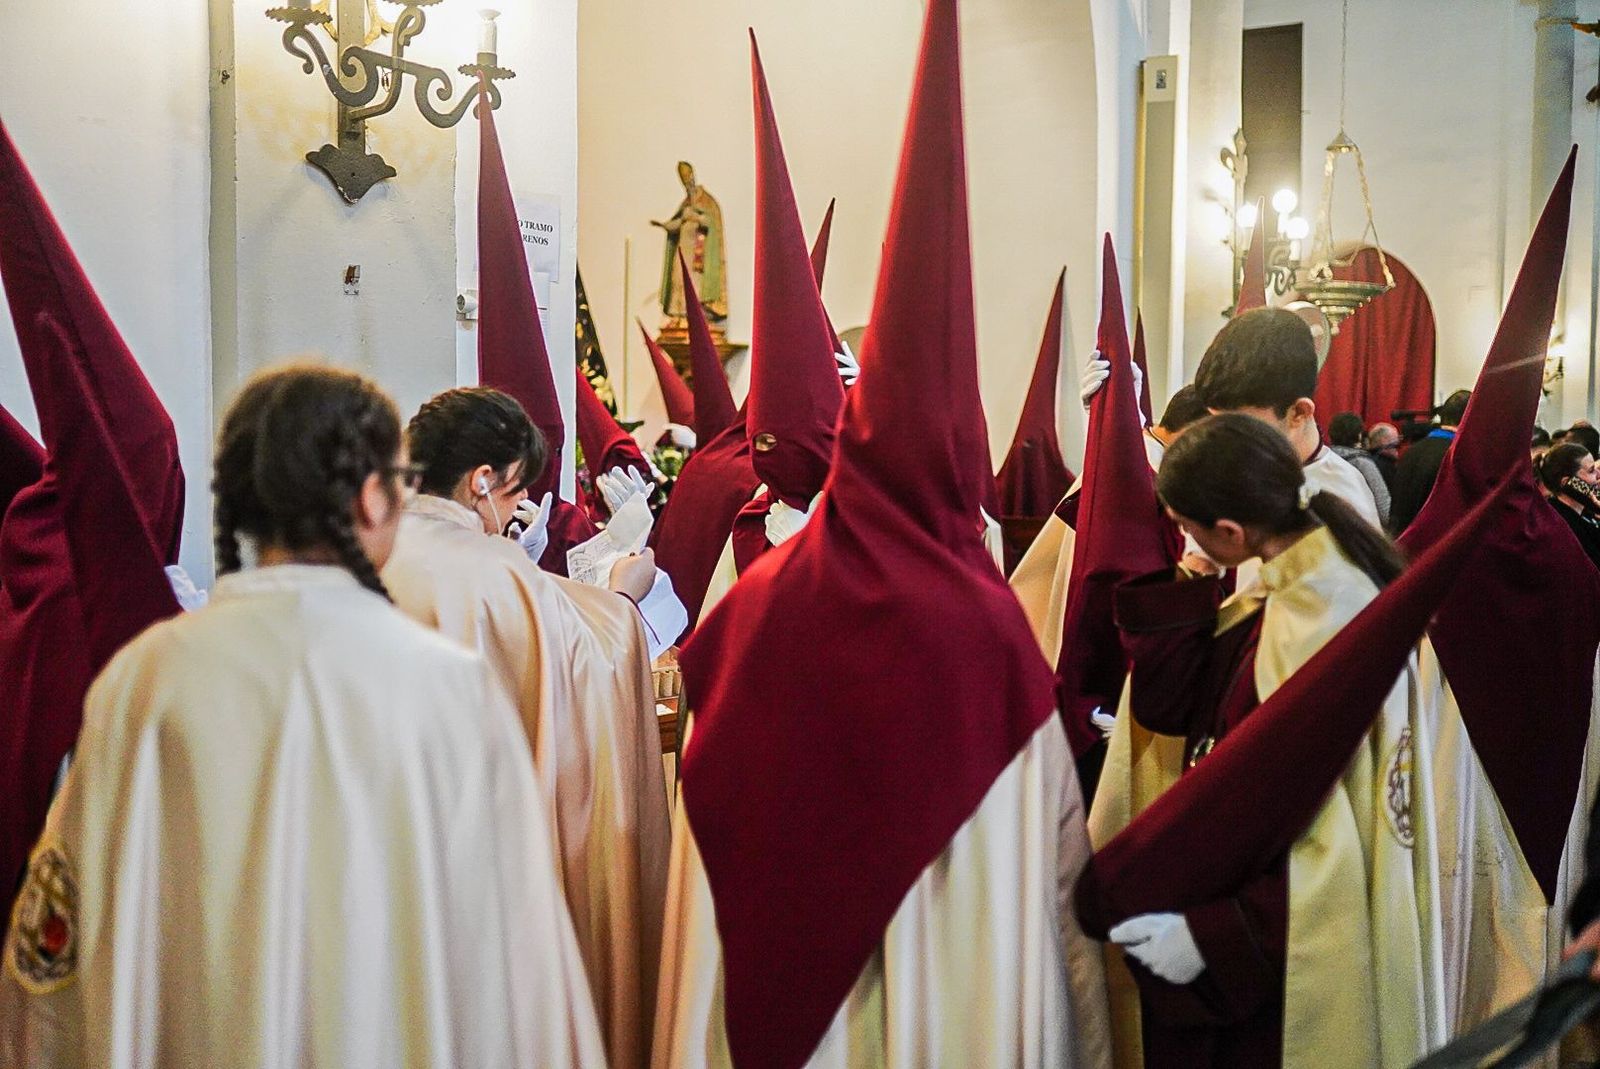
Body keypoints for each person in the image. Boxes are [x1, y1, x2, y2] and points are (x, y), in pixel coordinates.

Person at [653, 9, 1111, 1065]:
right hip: (951, 985)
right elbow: (1043, 853)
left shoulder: (763, 601)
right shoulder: (985, 622)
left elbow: (703, 816)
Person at [0, 365, 606, 1067]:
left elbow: (67, 924)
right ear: (376, 502)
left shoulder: (145, 680)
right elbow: (515, 940)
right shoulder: (451, 689)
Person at [1078, 413, 1448, 1068]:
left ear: (1231, 530)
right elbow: (1178, 704)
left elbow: (1333, 846)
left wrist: (1211, 939)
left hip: (1283, 965)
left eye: (1189, 529)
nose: (1184, 542)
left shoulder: (1319, 618)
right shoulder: (1295, 582)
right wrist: (1194, 574)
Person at [380, 386, 670, 1069]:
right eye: (514, 493)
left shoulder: (367, 547)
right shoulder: (491, 570)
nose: (515, 512)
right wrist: (624, 595)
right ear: (482, 480)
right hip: (473, 858)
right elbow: (583, 663)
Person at [1193, 308, 1381, 527]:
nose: (1226, 446)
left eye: (1242, 431)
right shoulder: (1239, 471)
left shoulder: (1340, 503)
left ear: (1298, 413)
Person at [1389, 389, 1470, 533]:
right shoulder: (1456, 456)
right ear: (1470, 417)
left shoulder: (1410, 451)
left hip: (1401, 544)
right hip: (1433, 544)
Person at [1537, 441, 1600, 567]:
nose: (1598, 475)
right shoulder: (1561, 523)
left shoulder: (1586, 510)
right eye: (1591, 470)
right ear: (1569, 482)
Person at [1327, 411, 1391, 526]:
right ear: (1359, 435)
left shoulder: (1323, 459)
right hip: (1359, 530)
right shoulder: (1362, 463)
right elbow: (1383, 508)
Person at [1367, 421, 1401, 490]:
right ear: (1384, 442)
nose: (1397, 452)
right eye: (1396, 446)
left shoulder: (1365, 461)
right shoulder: (1387, 467)